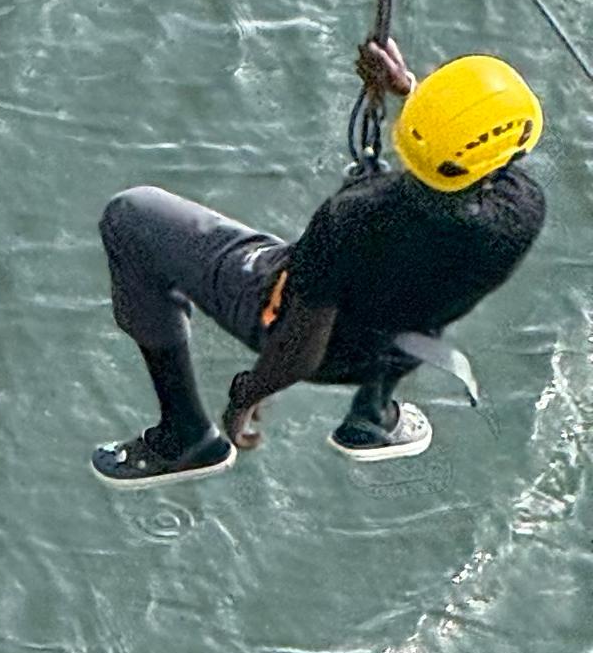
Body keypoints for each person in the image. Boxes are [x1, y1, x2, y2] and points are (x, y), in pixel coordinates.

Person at [93, 41, 546, 484]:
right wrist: (409, 90)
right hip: (395, 350)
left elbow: (301, 345)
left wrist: (246, 396)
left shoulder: (353, 217)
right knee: (414, 295)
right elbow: (475, 162)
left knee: (132, 215)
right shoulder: (521, 212)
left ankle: (186, 437)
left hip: (310, 342)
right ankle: (372, 418)